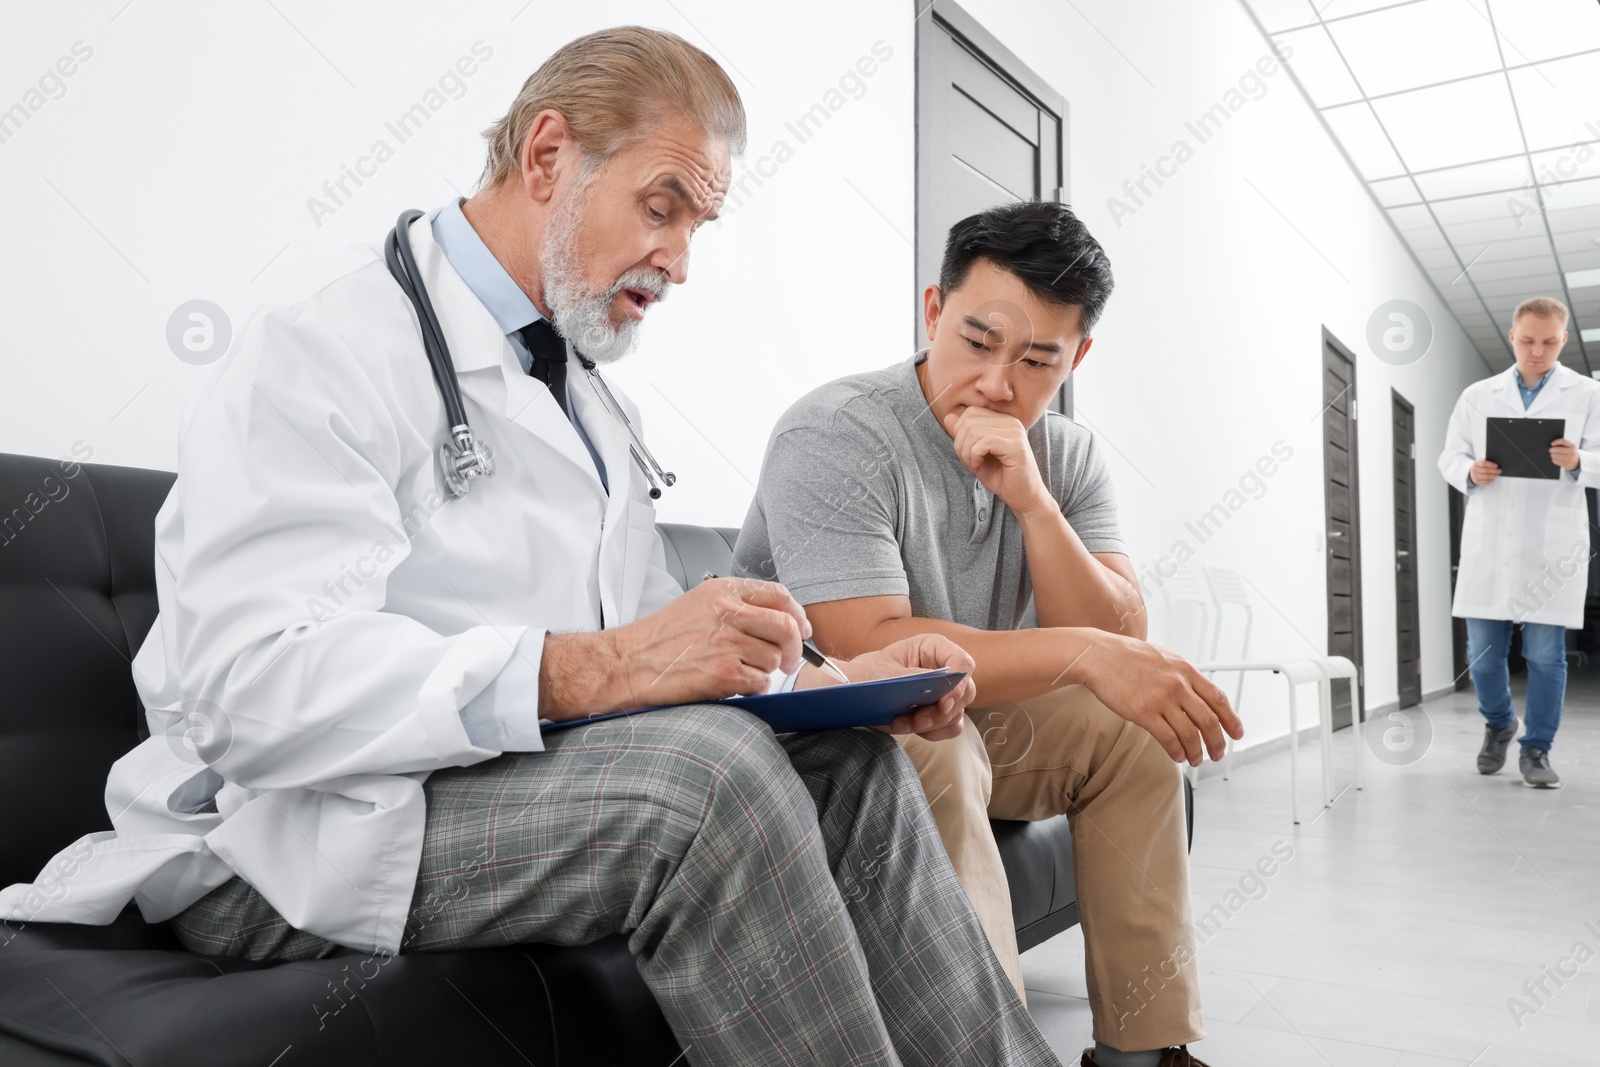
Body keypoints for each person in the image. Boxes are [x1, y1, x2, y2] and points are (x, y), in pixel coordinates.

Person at [0, 28, 1066, 1066]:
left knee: (852, 761)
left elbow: (642, 637)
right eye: (663, 207)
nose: (681, 261)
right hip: (289, 833)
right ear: (548, 155)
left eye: (699, 224)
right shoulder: (321, 349)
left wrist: (831, 679)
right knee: (707, 784)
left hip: (491, 786)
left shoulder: (584, 397)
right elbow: (249, 690)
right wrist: (596, 666)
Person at [735, 200, 1243, 1067]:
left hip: (970, 711)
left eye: (1038, 359)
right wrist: (1084, 653)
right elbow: (872, 647)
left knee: (1132, 734)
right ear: (934, 312)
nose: (999, 384)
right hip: (827, 726)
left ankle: (1142, 1053)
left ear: (1075, 357)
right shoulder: (838, 431)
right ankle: (986, 1051)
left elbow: (1120, 628)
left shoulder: (1068, 455)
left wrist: (1035, 503)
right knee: (936, 746)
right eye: (976, 342)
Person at [1438, 295, 1600, 789]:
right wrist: (1470, 470)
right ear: (1512, 336)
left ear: (1563, 340)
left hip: (1552, 545)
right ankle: (1499, 723)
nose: (1537, 350)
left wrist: (1578, 462)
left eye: (1549, 342)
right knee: (1483, 651)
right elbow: (1449, 457)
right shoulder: (1477, 395)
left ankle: (1537, 749)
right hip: (1493, 542)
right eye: (1527, 340)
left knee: (1546, 655)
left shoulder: (1589, 394)